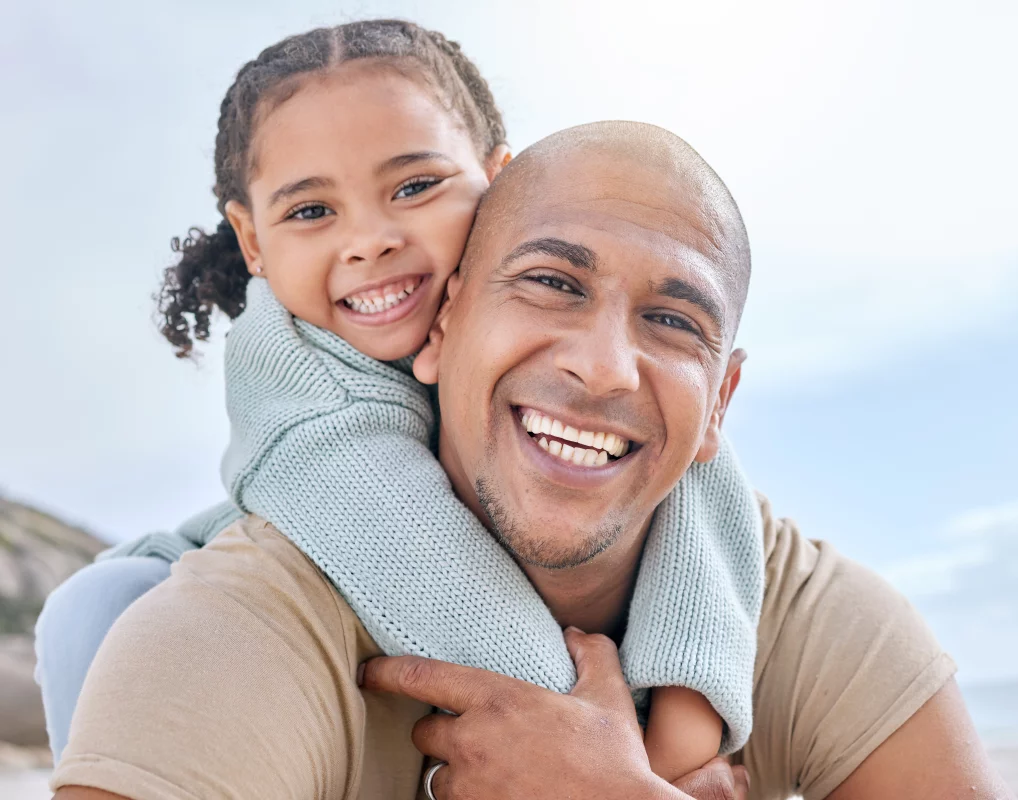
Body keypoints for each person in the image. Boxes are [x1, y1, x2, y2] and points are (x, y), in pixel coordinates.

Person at [51, 122, 1013, 800]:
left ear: (720, 402)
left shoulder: (799, 606)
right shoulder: (253, 618)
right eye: (551, 282)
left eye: (673, 321)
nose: (603, 364)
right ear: (442, 324)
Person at [35, 19, 762, 787]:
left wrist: (690, 725)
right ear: (251, 242)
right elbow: (442, 586)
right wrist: (619, 767)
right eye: (312, 211)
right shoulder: (300, 384)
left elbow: (703, 489)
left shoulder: (564, 327)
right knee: (96, 606)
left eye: (415, 188)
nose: (370, 240)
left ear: (497, 182)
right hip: (197, 593)